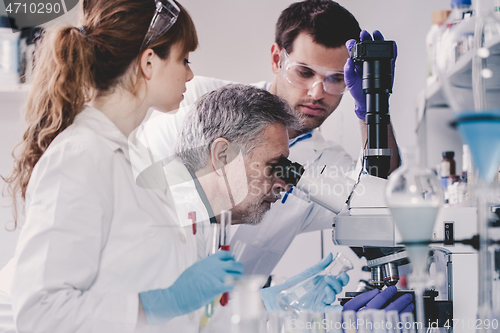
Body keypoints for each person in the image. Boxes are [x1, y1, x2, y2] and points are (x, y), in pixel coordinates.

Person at [0, 1, 245, 332]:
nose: (189, 73)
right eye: (183, 59)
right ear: (148, 62)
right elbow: (42, 311)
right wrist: (163, 301)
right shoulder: (78, 157)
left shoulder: (135, 155)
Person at [142, 0, 400, 278]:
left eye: (336, 79)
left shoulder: (326, 162)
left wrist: (374, 108)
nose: (317, 92)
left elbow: (379, 201)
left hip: (232, 314)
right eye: (304, 72)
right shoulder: (197, 104)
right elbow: (143, 198)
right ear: (277, 59)